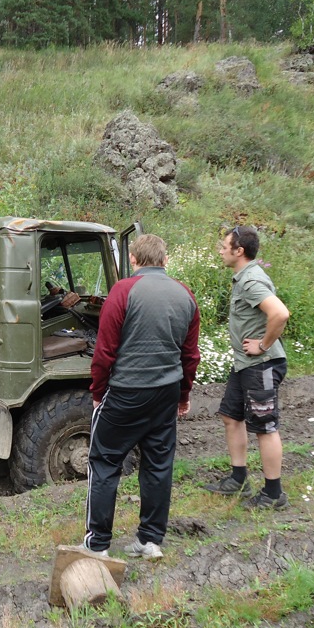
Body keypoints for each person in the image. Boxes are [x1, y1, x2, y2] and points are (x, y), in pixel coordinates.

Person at [84, 234, 201, 559]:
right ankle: (150, 541)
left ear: (133, 260)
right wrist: (183, 394)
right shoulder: (185, 295)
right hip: (165, 394)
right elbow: (190, 355)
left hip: (125, 392)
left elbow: (104, 352)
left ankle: (98, 545)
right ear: (165, 261)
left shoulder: (122, 291)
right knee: (158, 464)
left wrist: (98, 392)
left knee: (104, 461)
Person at [204, 225, 291, 509]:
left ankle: (273, 494)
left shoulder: (251, 280)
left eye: (224, 245)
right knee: (231, 416)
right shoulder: (243, 278)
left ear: (239, 251)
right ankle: (238, 480)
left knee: (264, 428)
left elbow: (280, 314)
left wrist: (263, 345)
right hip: (245, 364)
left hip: (261, 364)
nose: (220, 249)